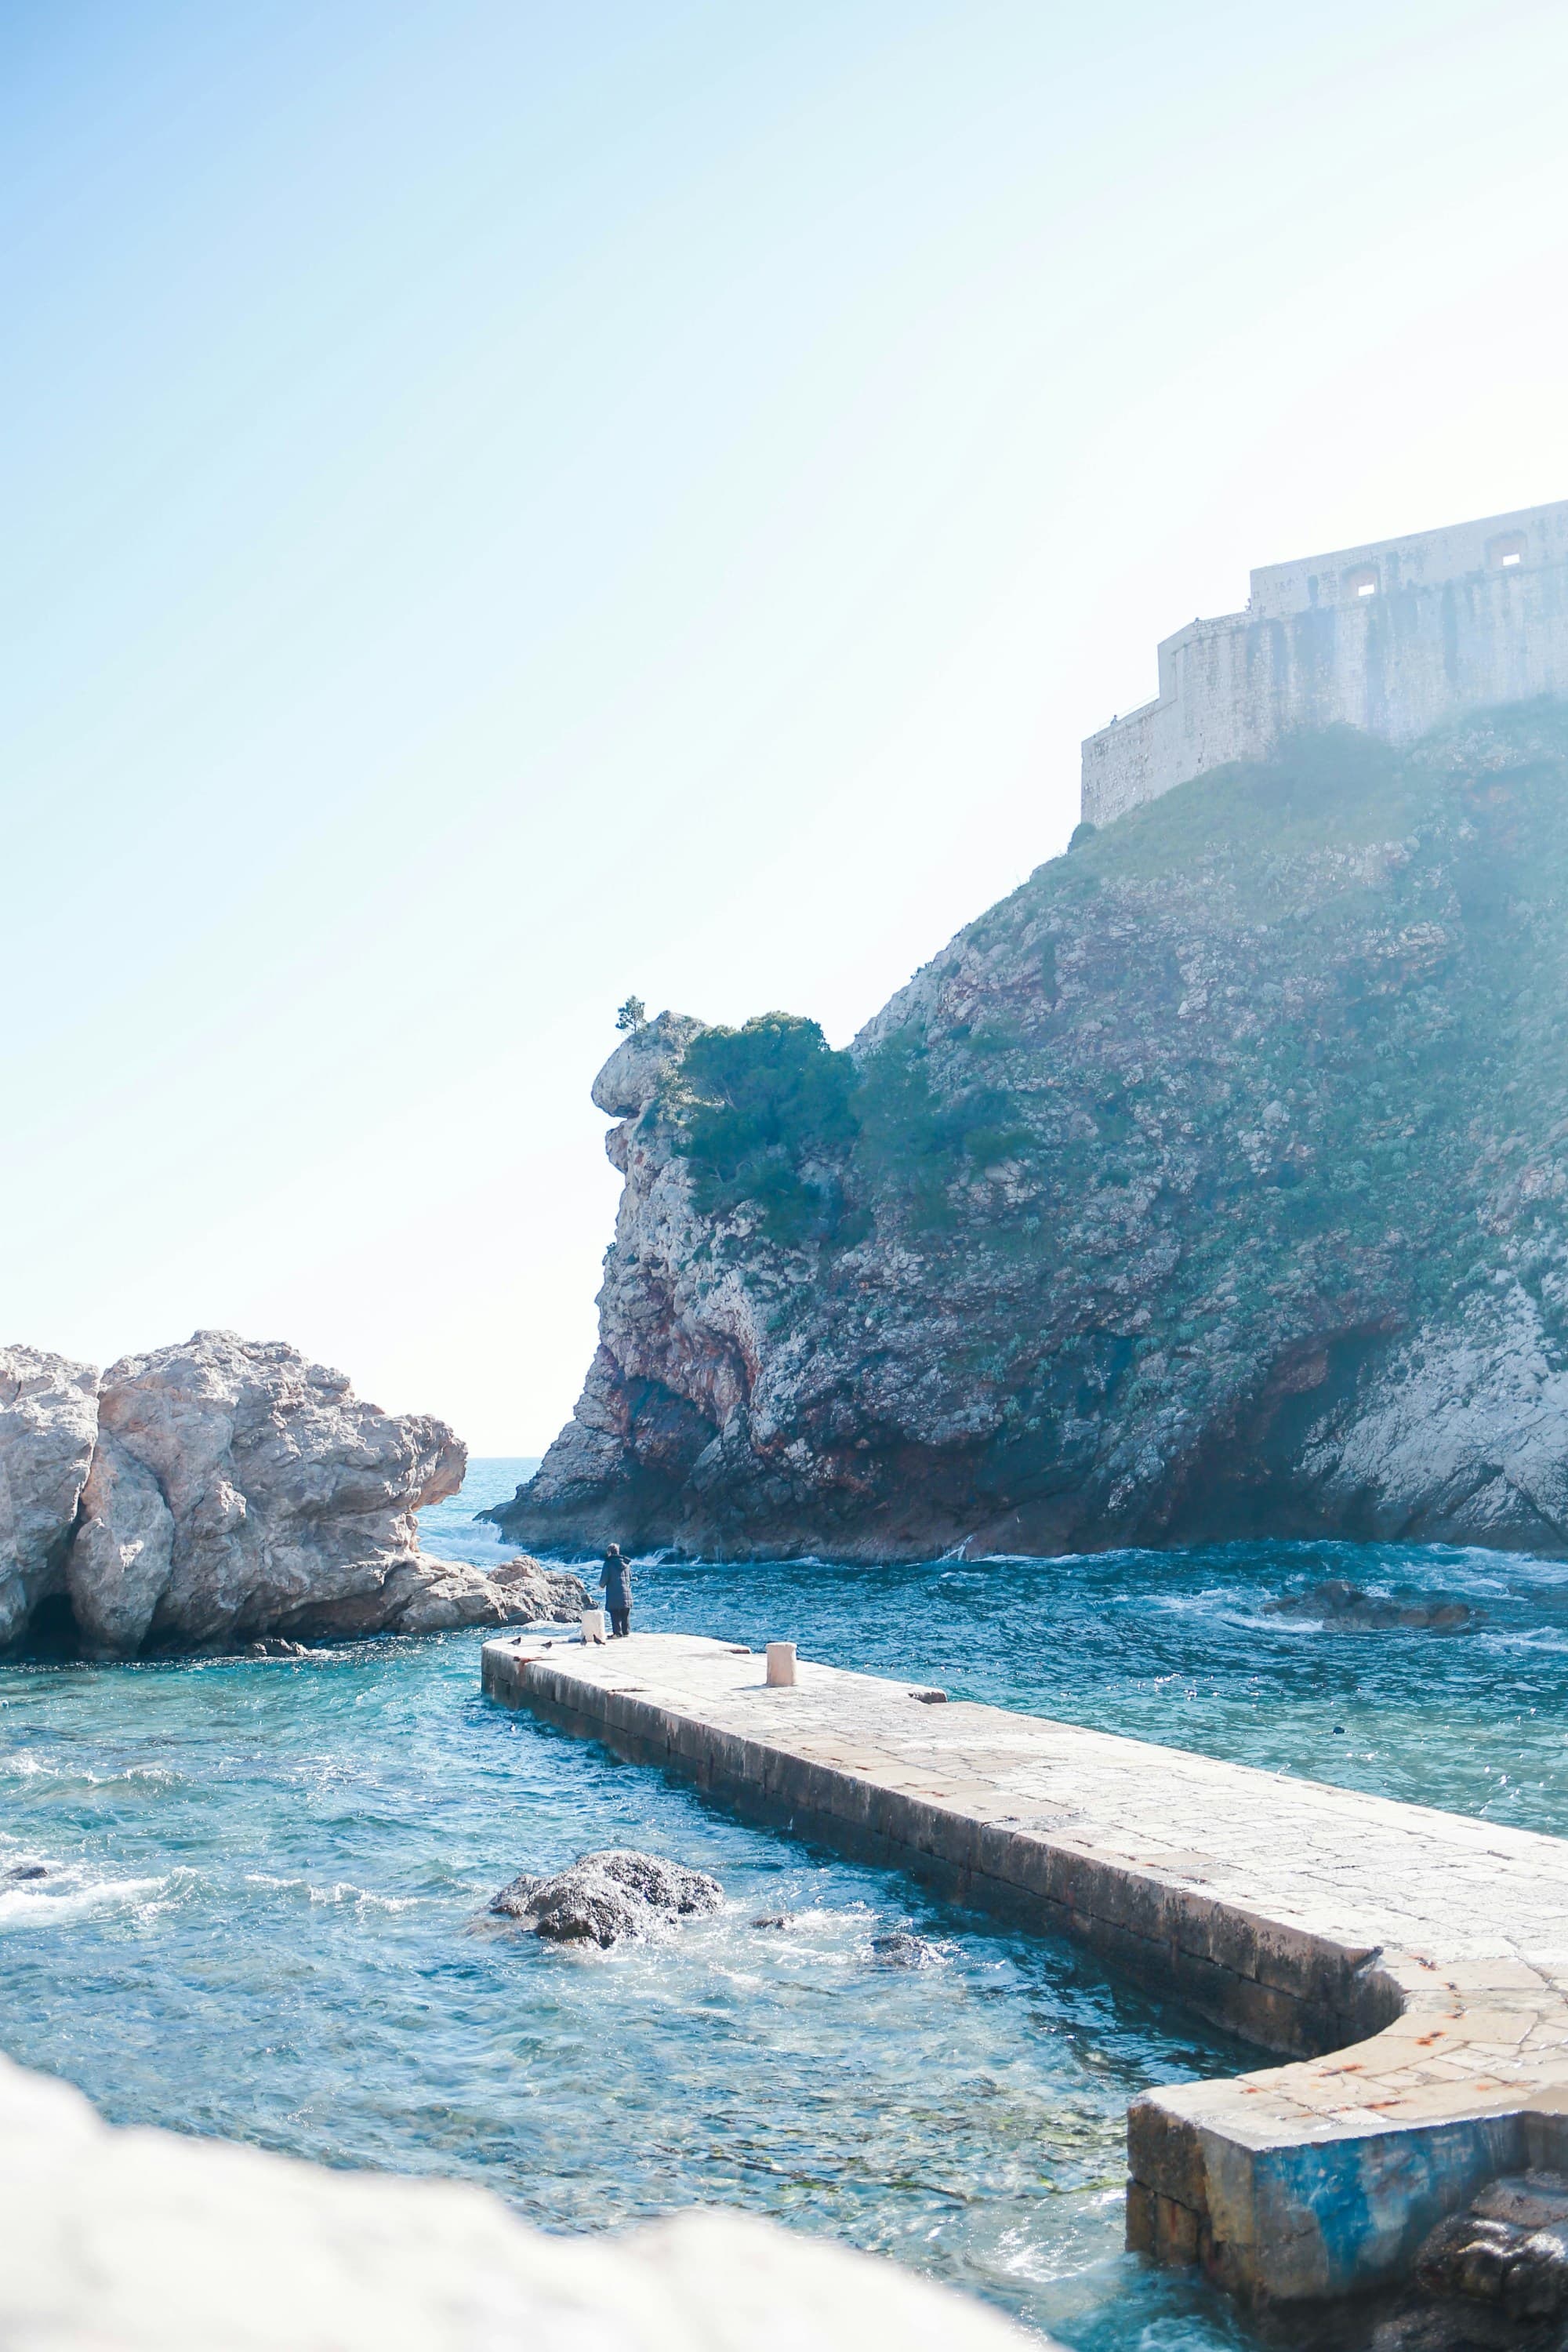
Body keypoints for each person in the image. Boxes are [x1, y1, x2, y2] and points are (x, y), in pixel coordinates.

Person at [600, 1543, 633, 1638]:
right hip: (627, 1593)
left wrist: (601, 1586)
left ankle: (617, 1633)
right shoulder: (626, 1564)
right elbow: (629, 1577)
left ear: (609, 1552)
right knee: (625, 1614)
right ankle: (626, 1632)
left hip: (614, 1593)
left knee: (615, 1614)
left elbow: (604, 1580)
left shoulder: (608, 1564)